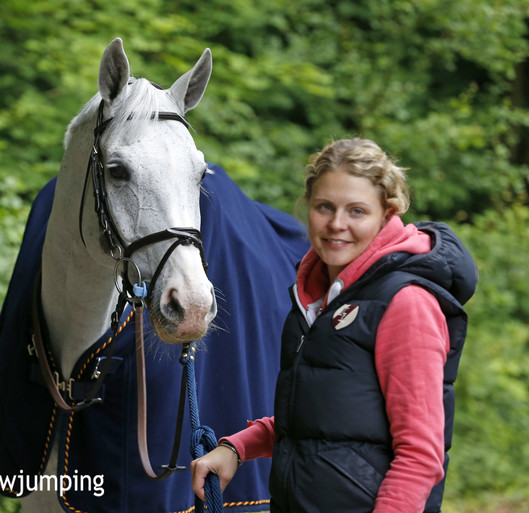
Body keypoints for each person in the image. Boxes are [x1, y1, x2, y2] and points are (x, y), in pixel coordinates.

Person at [190, 138, 477, 513]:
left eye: (357, 211)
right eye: (324, 207)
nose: (336, 225)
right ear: (308, 206)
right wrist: (237, 447)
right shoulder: (316, 298)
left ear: (387, 213)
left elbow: (421, 455)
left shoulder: (405, 303)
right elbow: (323, 420)